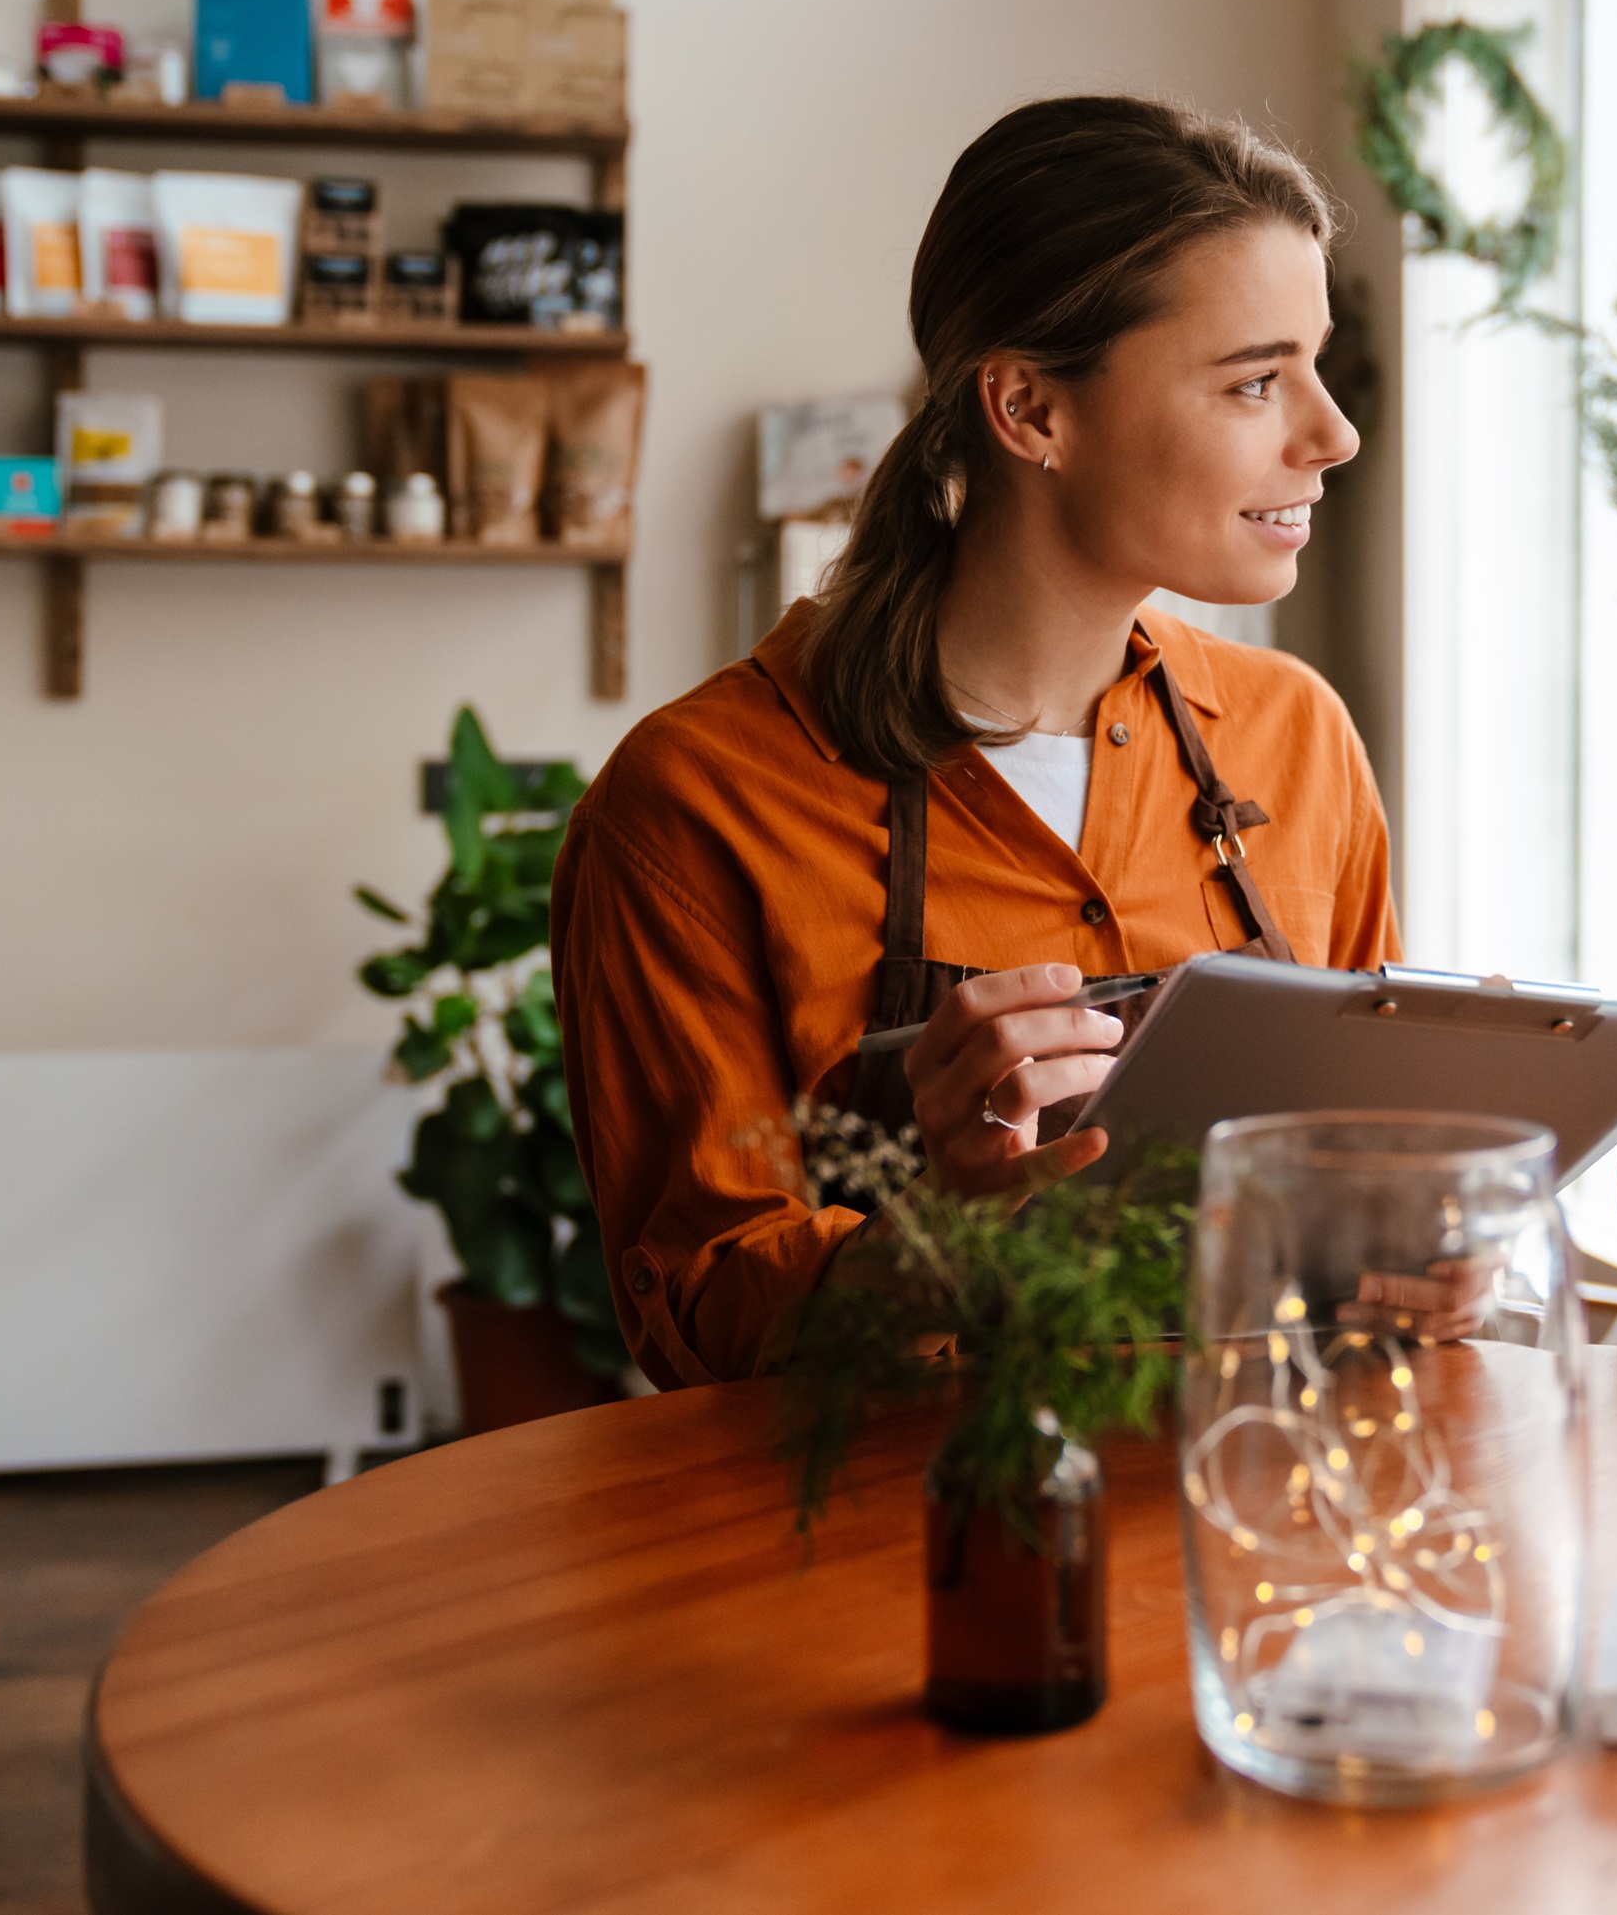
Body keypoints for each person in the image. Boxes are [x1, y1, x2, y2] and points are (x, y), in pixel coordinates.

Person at [551, 96, 1395, 1388]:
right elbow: (695, 1316)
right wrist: (940, 1235)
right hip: (896, 1547)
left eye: (1316, 366)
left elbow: (1359, 1180)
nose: (1330, 433)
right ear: (1030, 411)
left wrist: (1430, 1221)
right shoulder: (693, 803)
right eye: (1255, 380)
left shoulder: (1298, 739)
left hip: (1260, 1504)